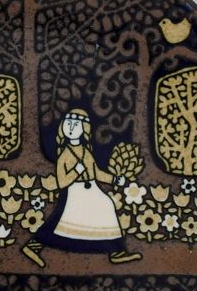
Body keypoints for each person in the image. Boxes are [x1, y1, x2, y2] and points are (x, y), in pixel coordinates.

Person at [23, 109, 140, 266]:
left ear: (84, 129)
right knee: (59, 219)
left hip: (91, 190)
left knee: (106, 204)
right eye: (68, 124)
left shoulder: (85, 152)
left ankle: (116, 250)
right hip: (74, 191)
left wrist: (115, 179)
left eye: (76, 125)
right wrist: (76, 171)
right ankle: (33, 246)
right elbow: (61, 182)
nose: (71, 128)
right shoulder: (65, 154)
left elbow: (96, 173)